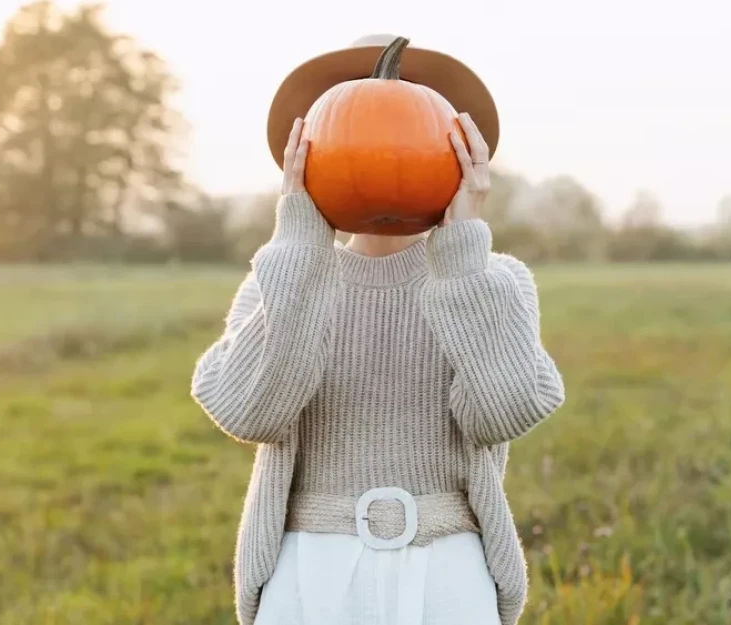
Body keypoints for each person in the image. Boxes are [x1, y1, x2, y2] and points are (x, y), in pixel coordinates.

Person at [191, 34, 566, 625]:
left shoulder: (494, 281)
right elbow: (250, 413)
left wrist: (463, 254)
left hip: (447, 564)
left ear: (460, 148)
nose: (384, 139)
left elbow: (505, 411)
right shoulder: (282, 282)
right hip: (308, 565)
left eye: (409, 118)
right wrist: (299, 246)